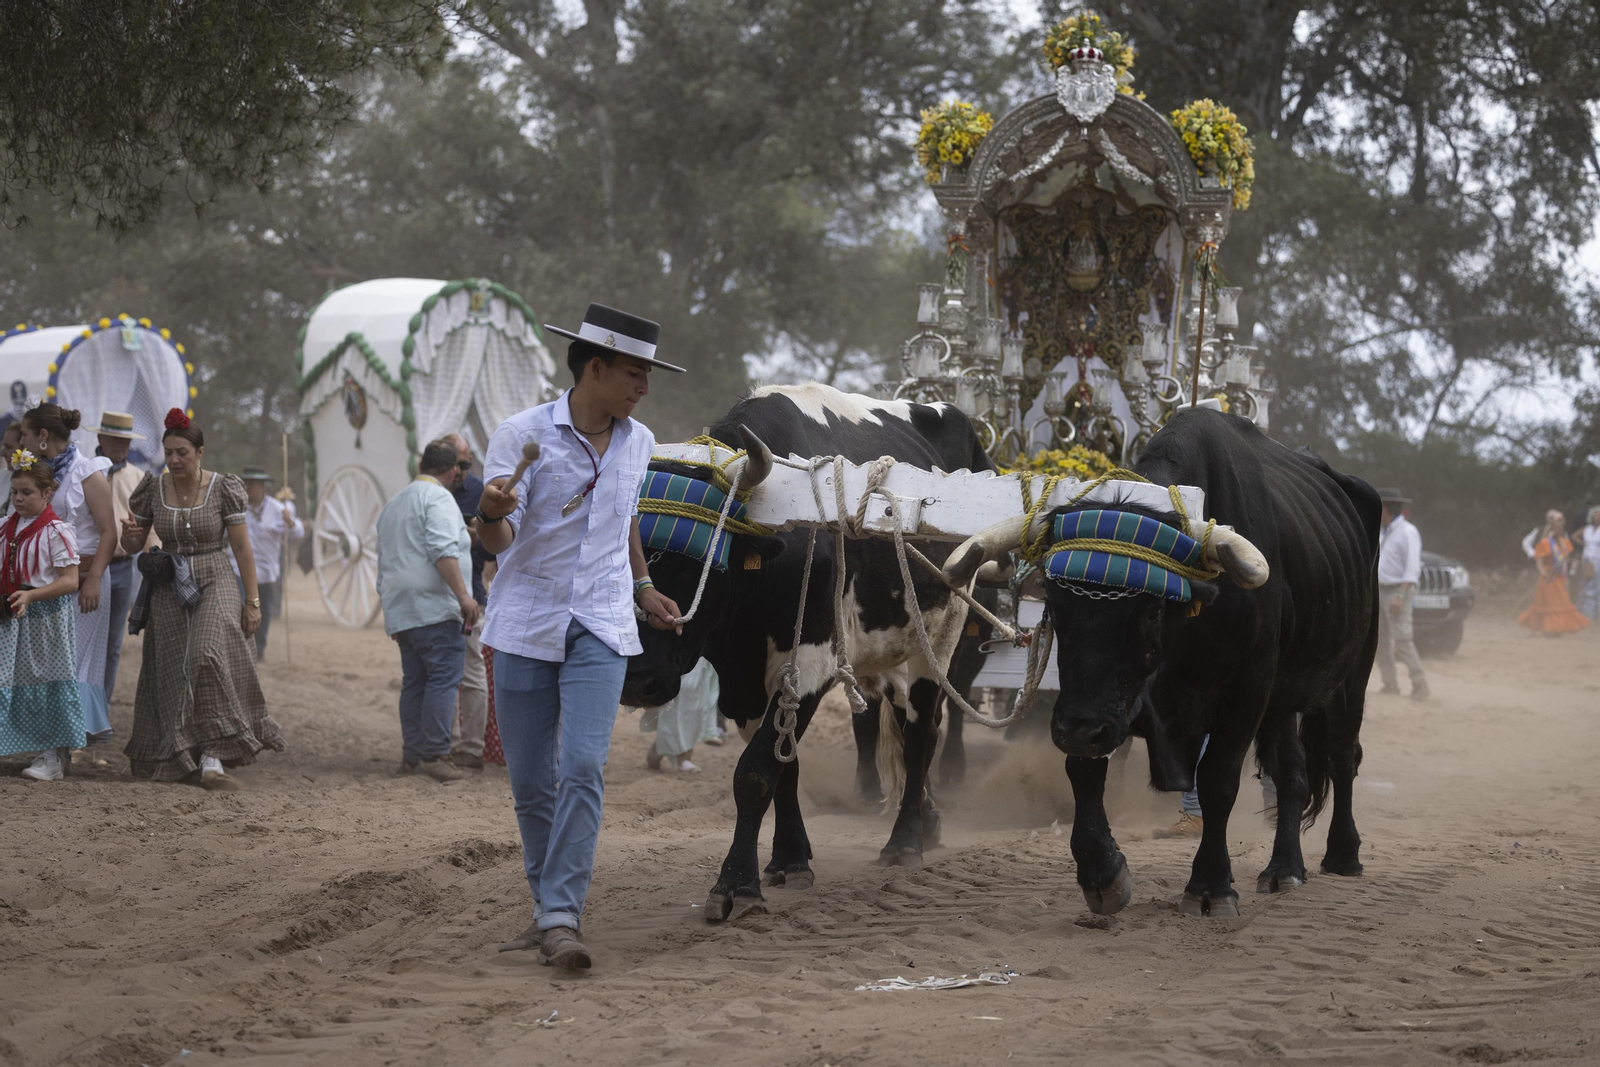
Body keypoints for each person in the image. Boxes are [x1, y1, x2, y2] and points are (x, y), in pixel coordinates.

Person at [480, 304, 684, 970]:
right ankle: (550, 915)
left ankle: (562, 913)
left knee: (584, 767)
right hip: (524, 621)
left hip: (602, 620)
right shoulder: (521, 434)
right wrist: (490, 513)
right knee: (533, 780)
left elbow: (619, 513)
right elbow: (498, 539)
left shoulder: (641, 441)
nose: (643, 387)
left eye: (648, 375)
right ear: (593, 367)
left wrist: (642, 584)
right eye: (634, 373)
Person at [120, 409, 284, 789]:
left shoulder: (223, 488)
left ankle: (213, 755)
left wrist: (253, 602)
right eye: (169, 453)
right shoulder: (152, 488)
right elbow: (131, 544)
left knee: (205, 654)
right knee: (174, 669)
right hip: (169, 581)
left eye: (183, 452)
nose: (175, 460)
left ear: (200, 452)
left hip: (216, 576)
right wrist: (130, 534)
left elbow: (243, 549)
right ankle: (184, 754)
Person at [375, 437, 479, 783]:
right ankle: (435, 753)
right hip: (434, 607)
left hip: (402, 608)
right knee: (443, 679)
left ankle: (412, 755)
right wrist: (464, 596)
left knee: (415, 683)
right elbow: (440, 550)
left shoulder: (394, 503)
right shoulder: (439, 498)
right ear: (452, 470)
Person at [20, 404, 117, 742]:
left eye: (26, 434)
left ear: (43, 436)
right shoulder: (34, 474)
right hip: (48, 583)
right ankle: (53, 743)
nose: (22, 440)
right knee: (46, 663)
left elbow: (109, 532)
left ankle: (56, 752)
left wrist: (93, 579)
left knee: (70, 664)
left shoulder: (86, 473)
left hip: (84, 584)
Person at [0, 450, 84, 781]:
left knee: (46, 682)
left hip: (44, 621)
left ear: (47, 493)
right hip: (10, 617)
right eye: (15, 492)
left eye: (27, 493)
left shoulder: (56, 531)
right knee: (6, 678)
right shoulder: (5, 526)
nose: (19, 498)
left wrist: (32, 595)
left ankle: (53, 754)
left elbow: (70, 579)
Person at [93, 411, 156, 699]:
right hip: (88, 566)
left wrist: (153, 555)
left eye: (125, 440)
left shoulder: (140, 479)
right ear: (100, 438)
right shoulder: (86, 472)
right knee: (85, 640)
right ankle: (81, 710)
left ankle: (101, 712)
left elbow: (150, 525)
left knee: (112, 644)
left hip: (123, 566)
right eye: (115, 439)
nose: (121, 446)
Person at [444, 433, 492, 770]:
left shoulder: (479, 493)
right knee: (439, 673)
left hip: (471, 594)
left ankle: (472, 748)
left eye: (466, 464)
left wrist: (476, 536)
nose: (461, 470)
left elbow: (494, 550)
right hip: (432, 598)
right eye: (456, 464)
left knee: (472, 673)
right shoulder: (432, 492)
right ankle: (440, 744)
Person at [232, 465, 305, 661]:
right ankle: (241, 650)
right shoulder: (236, 506)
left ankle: (259, 650)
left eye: (252, 484)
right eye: (245, 484)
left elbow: (298, 533)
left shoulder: (278, 509)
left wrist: (290, 522)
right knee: (239, 609)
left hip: (266, 572)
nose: (247, 488)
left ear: (263, 487)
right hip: (238, 571)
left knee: (263, 614)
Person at [1375, 487, 1429, 700]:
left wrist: (1400, 594)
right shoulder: (1383, 531)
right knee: (1380, 640)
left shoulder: (1408, 531)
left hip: (1397, 590)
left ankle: (1420, 684)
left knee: (1403, 639)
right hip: (1379, 590)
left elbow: (1412, 568)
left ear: (1387, 509)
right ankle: (1390, 683)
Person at [1518, 510, 1589, 635]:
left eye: (1561, 529)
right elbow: (1539, 559)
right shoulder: (1546, 543)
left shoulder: (1562, 543)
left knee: (1560, 601)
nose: (1560, 532)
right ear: (1553, 529)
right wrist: (1543, 572)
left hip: (1559, 577)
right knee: (1546, 602)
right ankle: (1545, 628)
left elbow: (1566, 556)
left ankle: (1556, 627)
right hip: (1548, 577)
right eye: (1558, 529)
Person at [642, 657, 720, 773]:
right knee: (680, 696)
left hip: (703, 653)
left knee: (698, 700)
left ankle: (672, 750)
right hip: (679, 652)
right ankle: (679, 755)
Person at [1573, 506, 1600, 621]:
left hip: (1598, 559)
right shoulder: (1587, 529)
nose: (1597, 517)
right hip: (1587, 559)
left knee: (1597, 585)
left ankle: (1597, 612)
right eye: (1595, 515)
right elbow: (1574, 536)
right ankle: (1585, 612)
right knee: (1585, 584)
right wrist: (1584, 544)